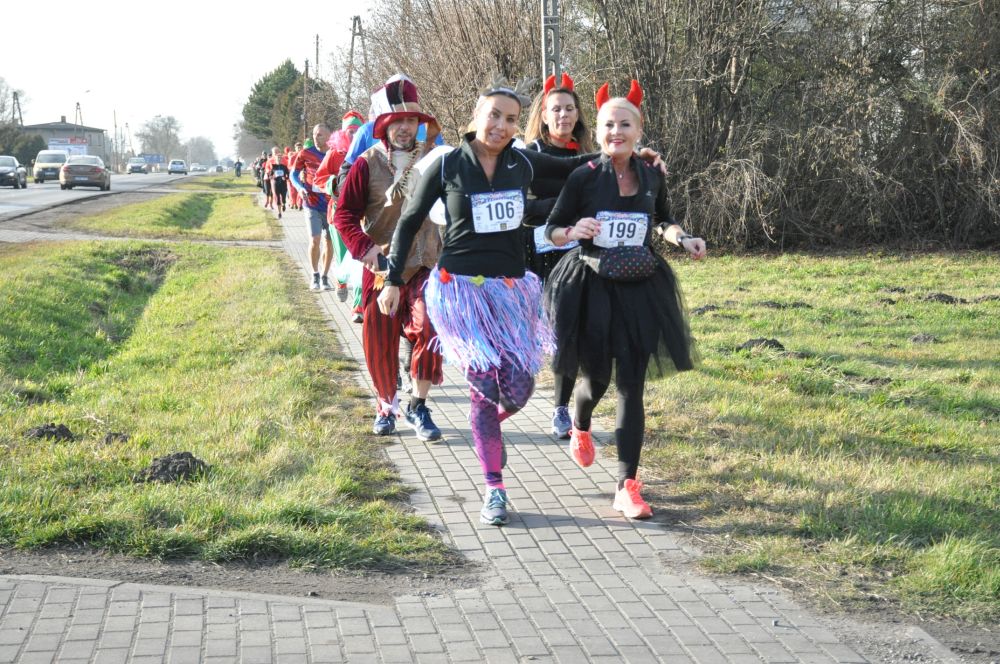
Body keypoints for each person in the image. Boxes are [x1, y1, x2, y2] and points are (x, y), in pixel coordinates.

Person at [379, 77, 667, 526]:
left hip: (512, 290)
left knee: (519, 387)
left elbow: (575, 165)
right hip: (462, 293)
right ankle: (494, 487)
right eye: (493, 115)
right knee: (482, 389)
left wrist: (631, 155)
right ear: (476, 116)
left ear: (518, 125)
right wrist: (393, 279)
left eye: (510, 119)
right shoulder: (447, 165)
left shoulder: (522, 163)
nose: (500, 125)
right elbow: (409, 220)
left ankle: (486, 430)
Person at [543, 81, 706, 520]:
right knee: (596, 380)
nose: (616, 131)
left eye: (624, 124)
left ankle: (626, 486)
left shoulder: (652, 174)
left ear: (639, 130)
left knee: (632, 385)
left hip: (640, 287)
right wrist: (572, 231)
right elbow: (552, 228)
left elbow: (662, 220)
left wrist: (683, 238)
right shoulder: (584, 176)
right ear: (597, 131)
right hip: (592, 287)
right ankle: (580, 425)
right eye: (608, 125)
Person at [334, 78, 445, 440]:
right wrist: (366, 251)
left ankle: (419, 405)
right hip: (381, 266)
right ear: (383, 126)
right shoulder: (367, 164)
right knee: (378, 340)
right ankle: (386, 405)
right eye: (397, 122)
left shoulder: (434, 159)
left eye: (411, 121)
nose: (404, 128)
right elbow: (344, 215)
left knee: (429, 329)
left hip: (425, 263)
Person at [522, 72, 594, 440]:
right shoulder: (529, 154)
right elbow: (519, 207)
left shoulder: (588, 155)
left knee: (569, 331)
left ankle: (561, 407)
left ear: (578, 114)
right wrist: (560, 209)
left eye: (569, 108)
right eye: (556, 109)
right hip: (536, 254)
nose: (563, 115)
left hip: (577, 255)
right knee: (538, 331)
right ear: (544, 114)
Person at [317, 110, 366, 313]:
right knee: (343, 255)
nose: (353, 135)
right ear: (343, 133)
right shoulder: (334, 154)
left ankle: (358, 306)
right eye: (349, 131)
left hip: (363, 214)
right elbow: (319, 178)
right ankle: (341, 279)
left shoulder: (369, 151)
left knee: (360, 255)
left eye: (357, 131)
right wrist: (333, 184)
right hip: (338, 214)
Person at [291, 124, 334, 291]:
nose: (316, 137)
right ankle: (315, 274)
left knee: (329, 241)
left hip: (330, 204)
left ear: (329, 136)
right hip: (311, 202)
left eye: (320, 134)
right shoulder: (305, 153)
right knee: (315, 239)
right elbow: (293, 174)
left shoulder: (335, 153)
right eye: (315, 134)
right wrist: (299, 188)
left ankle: (324, 276)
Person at [267, 147, 289, 218]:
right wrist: (272, 176)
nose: (279, 160)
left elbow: (288, 175)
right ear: (275, 159)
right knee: (278, 198)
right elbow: (269, 175)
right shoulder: (273, 166)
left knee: (283, 198)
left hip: (283, 184)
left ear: (281, 159)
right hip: (276, 184)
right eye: (277, 159)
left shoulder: (284, 166)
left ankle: (284, 204)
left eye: (280, 159)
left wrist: (285, 178)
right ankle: (279, 213)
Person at [288, 143, 304, 211]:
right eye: (298, 148)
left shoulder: (304, 155)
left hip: (302, 175)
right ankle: (294, 203)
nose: (299, 149)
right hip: (295, 174)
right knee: (294, 191)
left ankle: (299, 204)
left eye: (300, 147)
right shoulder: (293, 157)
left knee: (301, 188)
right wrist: (295, 168)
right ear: (295, 149)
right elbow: (289, 166)